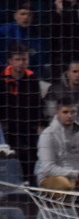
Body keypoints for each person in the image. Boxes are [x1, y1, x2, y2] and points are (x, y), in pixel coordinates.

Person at [0, 43, 47, 180]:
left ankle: (30, 184)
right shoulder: (2, 79)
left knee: (32, 153)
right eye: (18, 60)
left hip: (28, 126)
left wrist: (40, 124)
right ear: (10, 61)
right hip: (7, 126)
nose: (21, 63)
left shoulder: (32, 79)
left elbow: (37, 104)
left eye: (24, 59)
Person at [0, 2, 45, 73]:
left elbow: (40, 61)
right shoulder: (3, 32)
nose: (26, 17)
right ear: (15, 16)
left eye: (29, 15)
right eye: (22, 14)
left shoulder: (37, 34)